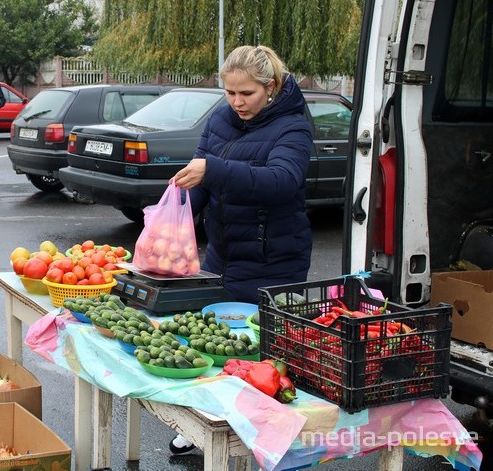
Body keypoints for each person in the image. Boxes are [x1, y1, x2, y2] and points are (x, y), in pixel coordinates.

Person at [168, 45, 313, 455]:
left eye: (246, 94)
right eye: (230, 93)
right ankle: (207, 426)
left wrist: (214, 169)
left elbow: (281, 181)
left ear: (271, 87)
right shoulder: (221, 118)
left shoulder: (293, 127)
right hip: (223, 256)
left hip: (274, 261)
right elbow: (199, 177)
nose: (236, 103)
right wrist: (174, 223)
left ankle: (267, 437)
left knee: (264, 356)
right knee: (217, 348)